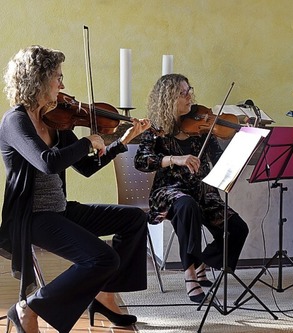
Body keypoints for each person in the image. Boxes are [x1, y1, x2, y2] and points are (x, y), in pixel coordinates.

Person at [0, 45, 151, 333]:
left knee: (134, 218)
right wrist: (87, 142)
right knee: (102, 257)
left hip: (60, 210)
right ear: (38, 78)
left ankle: (105, 295)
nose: (63, 84)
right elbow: (47, 163)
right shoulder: (15, 122)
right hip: (32, 218)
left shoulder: (55, 118)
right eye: (58, 76)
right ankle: (28, 307)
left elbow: (86, 168)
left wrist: (122, 141)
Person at [135, 74, 249, 303]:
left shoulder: (202, 127)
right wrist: (173, 159)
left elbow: (220, 159)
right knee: (187, 206)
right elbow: (141, 160)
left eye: (189, 91)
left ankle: (202, 262)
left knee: (238, 229)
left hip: (202, 192)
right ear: (167, 99)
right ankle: (190, 274)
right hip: (169, 191)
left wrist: (242, 138)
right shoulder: (155, 129)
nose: (190, 97)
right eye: (182, 93)